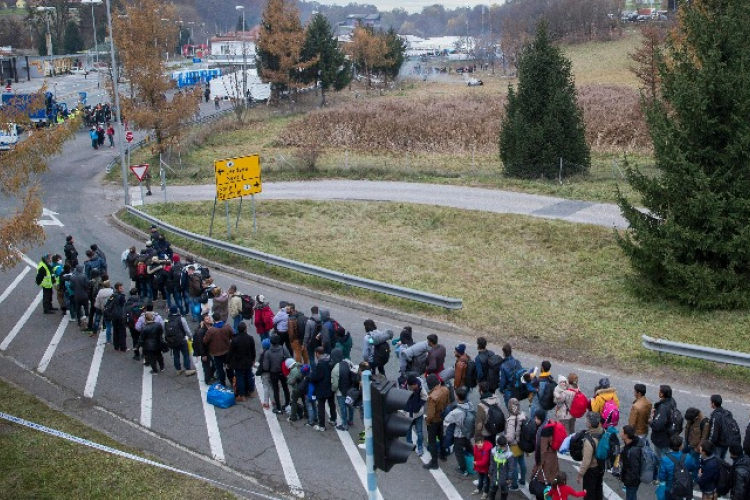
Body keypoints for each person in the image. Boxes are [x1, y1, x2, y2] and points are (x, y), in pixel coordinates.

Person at [444, 386, 475, 476]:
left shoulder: (456, 412)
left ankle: (463, 469)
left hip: (459, 434)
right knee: (469, 446)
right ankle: (476, 460)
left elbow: (446, 421)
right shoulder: (470, 405)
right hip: (468, 432)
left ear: (457, 397)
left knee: (458, 451)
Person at [658, 434, 698, 500]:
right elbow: (693, 469)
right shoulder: (688, 457)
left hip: (671, 488)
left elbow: (662, 477)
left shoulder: (665, 459)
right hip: (685, 485)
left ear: (670, 446)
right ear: (681, 446)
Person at [424, 374, 450, 470]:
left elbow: (430, 414)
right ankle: (443, 454)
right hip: (441, 417)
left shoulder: (432, 397)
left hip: (434, 420)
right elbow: (447, 403)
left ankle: (434, 462)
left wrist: (427, 421)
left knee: (432, 441)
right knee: (441, 436)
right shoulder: (445, 389)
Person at [531, 409, 559, 499]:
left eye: (537, 418)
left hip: (546, 459)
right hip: (553, 457)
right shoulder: (549, 424)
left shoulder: (543, 432)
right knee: (552, 477)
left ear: (541, 418)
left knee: (543, 479)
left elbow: (542, 450)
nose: (535, 420)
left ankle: (544, 496)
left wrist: (539, 463)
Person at [577, 412, 604, 500]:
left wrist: (580, 474)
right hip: (600, 465)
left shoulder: (589, 440)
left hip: (591, 469)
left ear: (589, 423)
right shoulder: (602, 431)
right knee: (598, 489)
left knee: (589, 493)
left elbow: (586, 461)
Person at [203, 312, 233, 387]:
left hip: (216, 353)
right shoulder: (227, 326)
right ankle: (232, 381)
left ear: (213, 319)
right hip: (226, 350)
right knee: (229, 367)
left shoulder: (211, 330)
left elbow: (205, 341)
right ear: (220, 317)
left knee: (219, 369)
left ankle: (222, 383)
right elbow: (232, 335)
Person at [227, 322, 256, 401]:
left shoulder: (234, 340)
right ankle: (251, 391)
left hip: (238, 361)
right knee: (249, 375)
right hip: (248, 360)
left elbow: (230, 352)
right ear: (245, 329)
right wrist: (253, 359)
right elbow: (253, 350)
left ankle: (242, 395)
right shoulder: (250, 338)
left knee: (239, 377)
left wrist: (227, 361)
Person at [263, 334, 291, 415]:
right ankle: (287, 403)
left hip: (273, 372)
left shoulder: (268, 352)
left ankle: (278, 408)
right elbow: (288, 357)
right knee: (285, 388)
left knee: (276, 389)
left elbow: (265, 366)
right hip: (282, 371)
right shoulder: (282, 348)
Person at [310, 346, 336, 431]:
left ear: (317, 353)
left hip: (322, 388)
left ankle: (322, 425)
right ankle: (333, 419)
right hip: (330, 386)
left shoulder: (320, 363)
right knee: (331, 403)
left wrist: (310, 377)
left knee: (321, 406)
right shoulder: (329, 360)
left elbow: (318, 376)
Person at [165, 306, 195, 376]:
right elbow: (187, 330)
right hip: (182, 339)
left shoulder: (166, 319)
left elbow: (165, 330)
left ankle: (178, 369)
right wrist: (190, 337)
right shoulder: (181, 319)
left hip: (172, 340)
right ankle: (187, 369)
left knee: (176, 355)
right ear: (177, 311)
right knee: (186, 354)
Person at [505, 397, 528, 489]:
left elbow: (510, 437)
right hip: (522, 444)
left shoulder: (511, 420)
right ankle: (522, 480)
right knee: (522, 462)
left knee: (513, 465)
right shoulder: (522, 416)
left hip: (514, 445)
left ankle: (514, 485)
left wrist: (504, 439)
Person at [402, 375, 427, 456]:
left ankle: (420, 447)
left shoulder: (420, 388)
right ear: (410, 385)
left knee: (419, 432)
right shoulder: (405, 389)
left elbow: (425, 397)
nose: (416, 385)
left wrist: (418, 406)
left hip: (417, 414)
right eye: (415, 384)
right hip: (408, 414)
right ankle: (409, 445)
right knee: (408, 431)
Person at [651, 385, 677, 463]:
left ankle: (661, 473)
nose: (658, 392)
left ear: (662, 394)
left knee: (660, 458)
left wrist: (651, 420)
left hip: (661, 438)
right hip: (669, 435)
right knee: (666, 456)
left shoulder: (663, 407)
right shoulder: (672, 401)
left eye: (659, 391)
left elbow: (658, 425)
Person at [619, 425, 645, 500]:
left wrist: (627, 481)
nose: (620, 434)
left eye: (622, 432)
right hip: (632, 479)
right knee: (632, 496)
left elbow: (634, 470)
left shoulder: (632, 452)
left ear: (626, 435)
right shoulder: (631, 444)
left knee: (630, 496)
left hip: (632, 482)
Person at [476, 381, 504, 446]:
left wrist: (477, 433)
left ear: (481, 391)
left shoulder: (481, 405)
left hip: (486, 430)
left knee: (487, 446)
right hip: (496, 426)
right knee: (493, 442)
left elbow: (479, 422)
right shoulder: (496, 397)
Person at [192, 313, 214, 384]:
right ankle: (207, 379)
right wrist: (203, 354)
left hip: (210, 349)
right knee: (206, 366)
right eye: (207, 319)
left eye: (209, 318)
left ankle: (210, 376)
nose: (209, 319)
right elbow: (200, 344)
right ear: (203, 321)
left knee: (214, 364)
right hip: (205, 350)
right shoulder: (201, 331)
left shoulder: (211, 327)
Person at [708, 394, 730, 460]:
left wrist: (710, 444)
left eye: (711, 402)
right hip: (726, 443)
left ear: (713, 404)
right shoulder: (727, 413)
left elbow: (714, 433)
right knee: (722, 460)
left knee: (716, 462)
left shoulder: (716, 416)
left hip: (718, 445)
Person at [474, 433, 494, 498]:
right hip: (479, 468)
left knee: (486, 481)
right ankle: (479, 488)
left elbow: (485, 461)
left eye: (481, 442)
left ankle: (485, 492)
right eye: (478, 443)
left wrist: (476, 463)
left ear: (483, 441)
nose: (479, 444)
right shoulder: (475, 447)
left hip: (486, 468)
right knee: (480, 479)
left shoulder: (486, 450)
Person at [256, 339, 272, 410]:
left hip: (265, 373)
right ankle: (274, 400)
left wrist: (258, 372)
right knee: (273, 386)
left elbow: (262, 365)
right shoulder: (273, 352)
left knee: (266, 387)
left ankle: (266, 403)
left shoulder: (263, 354)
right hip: (273, 372)